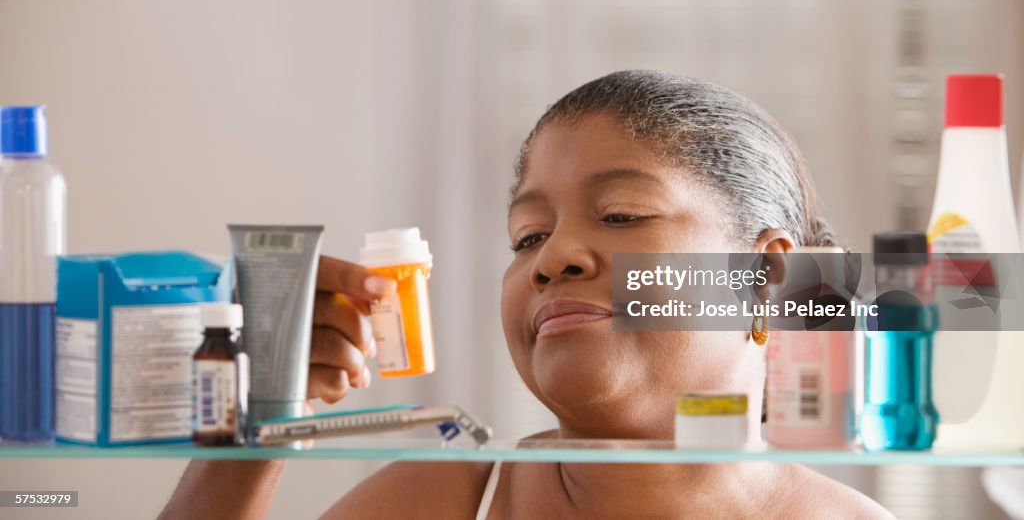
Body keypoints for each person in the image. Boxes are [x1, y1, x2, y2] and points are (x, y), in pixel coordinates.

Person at [161, 71, 893, 519]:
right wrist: (252, 429)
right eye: (526, 235)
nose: (552, 259)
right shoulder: (440, 502)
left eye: (620, 215)